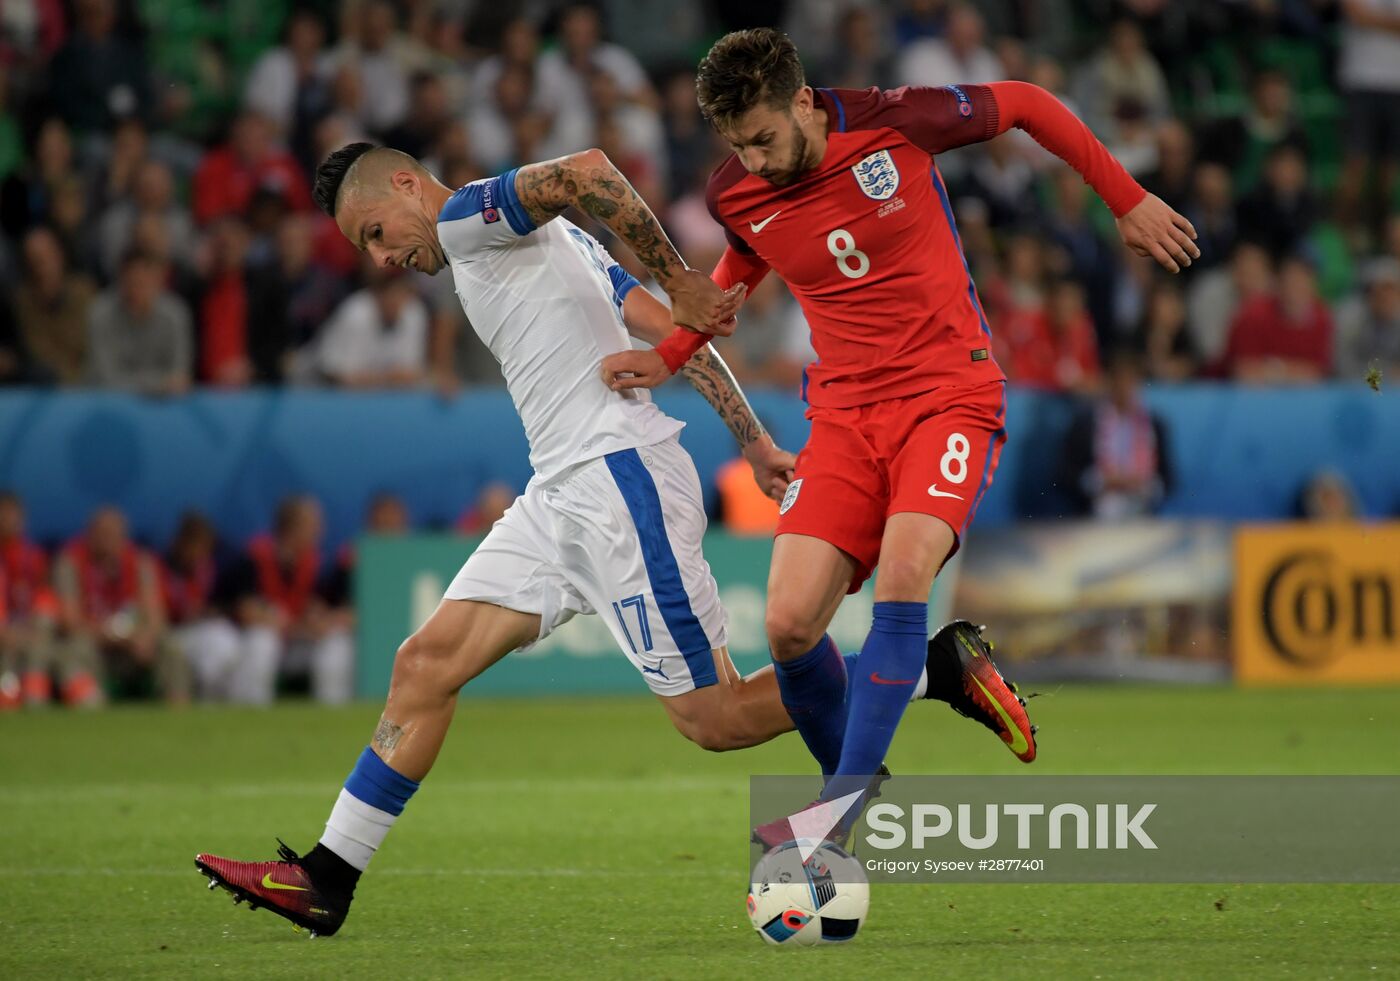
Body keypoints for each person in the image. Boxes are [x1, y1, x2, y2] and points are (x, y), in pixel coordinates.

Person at [195, 141, 1003, 936]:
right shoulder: (541, 242)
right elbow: (663, 335)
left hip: (621, 486)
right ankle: (326, 878)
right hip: (558, 493)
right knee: (423, 664)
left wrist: (683, 277)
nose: (380, 257)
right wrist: (751, 437)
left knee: (714, 718)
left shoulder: (471, 215)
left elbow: (587, 172)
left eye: (374, 231)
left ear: (407, 184)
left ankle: (935, 667)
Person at [603, 28, 1198, 845]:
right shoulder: (735, 191)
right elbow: (748, 258)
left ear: (803, 102)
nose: (757, 160)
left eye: (766, 139)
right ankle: (866, 759)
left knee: (905, 573)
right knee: (787, 626)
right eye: (738, 145)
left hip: (948, 394)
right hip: (845, 416)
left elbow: (1023, 102)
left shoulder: (895, 122)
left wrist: (1126, 199)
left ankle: (835, 819)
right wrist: (670, 351)